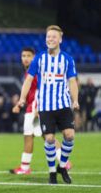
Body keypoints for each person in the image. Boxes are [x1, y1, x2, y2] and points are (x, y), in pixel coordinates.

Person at [15, 25, 79, 184]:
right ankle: (52, 172)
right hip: (45, 106)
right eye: (48, 36)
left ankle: (62, 166)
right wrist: (22, 98)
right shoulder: (39, 58)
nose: (50, 39)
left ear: (60, 39)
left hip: (63, 104)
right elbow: (28, 80)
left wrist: (75, 100)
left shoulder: (67, 59)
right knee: (49, 139)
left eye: (54, 37)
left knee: (69, 136)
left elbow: (72, 81)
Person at [10, 47, 71, 175]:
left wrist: (38, 108)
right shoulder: (30, 72)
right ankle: (62, 161)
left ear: (34, 57)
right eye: (23, 56)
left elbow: (40, 90)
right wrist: (19, 105)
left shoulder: (36, 71)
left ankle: (26, 168)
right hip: (31, 107)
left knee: (36, 136)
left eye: (28, 56)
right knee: (39, 136)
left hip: (35, 108)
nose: (25, 58)